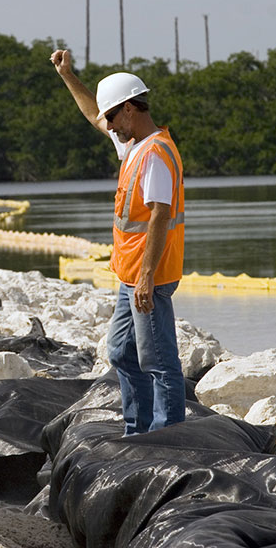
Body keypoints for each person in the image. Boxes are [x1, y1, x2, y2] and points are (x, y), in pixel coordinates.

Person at [51, 49, 186, 435]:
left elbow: (160, 216)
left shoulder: (156, 153)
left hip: (150, 275)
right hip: (131, 276)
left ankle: (168, 440)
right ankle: (136, 431)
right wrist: (67, 76)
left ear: (129, 109)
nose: (107, 124)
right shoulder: (133, 147)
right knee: (121, 352)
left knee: (159, 362)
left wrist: (145, 277)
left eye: (112, 116)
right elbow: (92, 112)